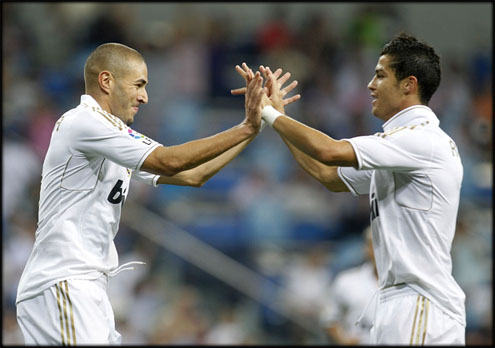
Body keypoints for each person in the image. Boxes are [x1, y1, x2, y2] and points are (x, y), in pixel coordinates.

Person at [15, 42, 299, 345]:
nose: (145, 97)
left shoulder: (108, 135)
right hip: (64, 280)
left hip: (85, 286)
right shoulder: (84, 122)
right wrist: (245, 126)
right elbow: (169, 159)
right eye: (139, 85)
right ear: (107, 81)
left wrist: (254, 128)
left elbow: (193, 175)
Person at [236, 33, 466, 344]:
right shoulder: (404, 147)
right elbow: (327, 174)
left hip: (418, 303)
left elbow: (329, 151)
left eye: (381, 75)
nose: (370, 85)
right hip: (405, 302)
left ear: (409, 84)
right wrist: (281, 118)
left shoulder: (420, 139)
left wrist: (269, 113)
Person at [320, 227, 378, 345]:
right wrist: (343, 340)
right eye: (375, 244)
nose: (381, 250)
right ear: (366, 248)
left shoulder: (408, 283)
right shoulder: (347, 281)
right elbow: (329, 318)